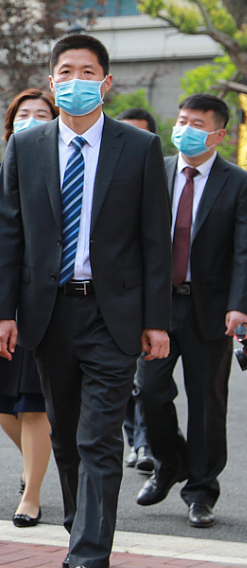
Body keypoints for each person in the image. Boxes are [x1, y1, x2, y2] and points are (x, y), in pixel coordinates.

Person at [0, 34, 171, 568]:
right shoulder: (27, 146)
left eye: (87, 71)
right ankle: (78, 529)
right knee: (66, 436)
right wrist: (1, 313)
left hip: (113, 314)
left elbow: (154, 241)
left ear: (106, 82)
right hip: (49, 313)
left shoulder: (138, 148)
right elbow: (7, 235)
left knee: (99, 438)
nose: (75, 81)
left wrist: (157, 319)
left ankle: (91, 559)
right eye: (65, 71)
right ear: (51, 82)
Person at [136, 94, 247, 529]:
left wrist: (239, 305)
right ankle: (170, 462)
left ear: (218, 134)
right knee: (149, 391)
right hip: (158, 308)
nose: (185, 130)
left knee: (206, 404)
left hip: (211, 309)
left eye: (197, 124)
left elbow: (244, 250)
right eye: (182, 120)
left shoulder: (237, 182)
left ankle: (201, 490)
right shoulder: (155, 170)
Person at [0, 89, 57, 527]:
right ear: (10, 125)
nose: (32, 120)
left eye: (42, 114)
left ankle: (32, 493)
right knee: (3, 402)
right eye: (25, 114)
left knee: (35, 401)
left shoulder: (61, 175)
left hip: (45, 301)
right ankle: (36, 463)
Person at [115, 106, 159, 473]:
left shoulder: (155, 169)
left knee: (148, 383)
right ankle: (135, 437)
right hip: (115, 299)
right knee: (124, 380)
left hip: (151, 296)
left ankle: (144, 443)